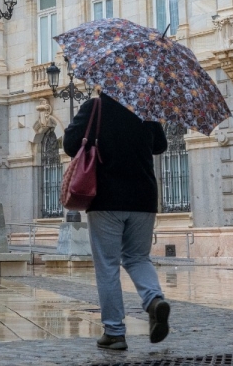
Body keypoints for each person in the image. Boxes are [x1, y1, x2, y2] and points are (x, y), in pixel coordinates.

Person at [64, 91, 171, 351]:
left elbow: (69, 144)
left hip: (105, 199)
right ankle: (154, 300)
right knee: (138, 257)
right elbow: (160, 145)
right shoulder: (145, 108)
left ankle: (114, 332)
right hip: (143, 199)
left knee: (108, 265)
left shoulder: (95, 107)